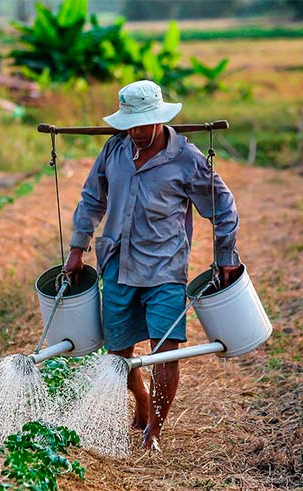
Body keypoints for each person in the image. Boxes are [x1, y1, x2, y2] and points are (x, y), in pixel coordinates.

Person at [62, 80, 241, 452]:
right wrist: (77, 248)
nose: (137, 133)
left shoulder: (186, 159)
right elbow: (92, 199)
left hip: (165, 269)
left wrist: (225, 256)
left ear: (159, 120)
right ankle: (141, 399)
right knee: (118, 354)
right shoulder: (114, 150)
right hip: (117, 264)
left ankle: (153, 432)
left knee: (165, 350)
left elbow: (223, 207)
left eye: (143, 125)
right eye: (130, 125)